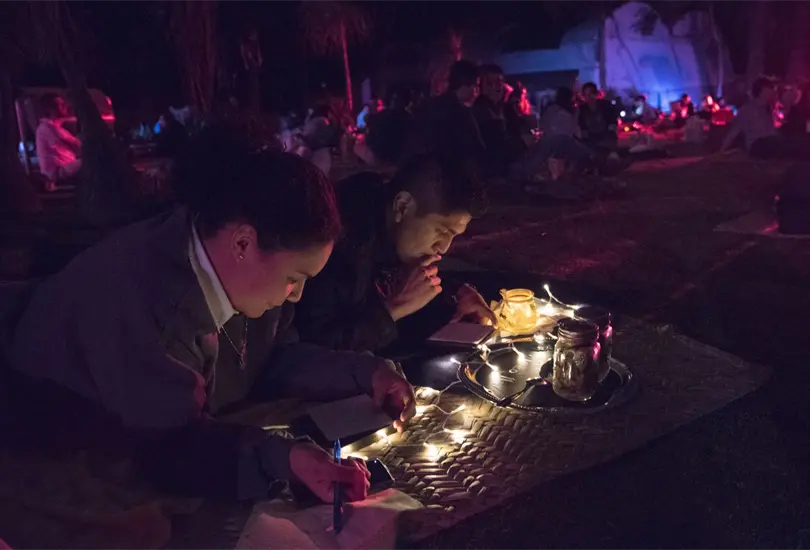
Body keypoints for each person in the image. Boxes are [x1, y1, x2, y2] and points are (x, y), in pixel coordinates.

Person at [4, 124, 415, 503]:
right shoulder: (148, 308)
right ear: (242, 243)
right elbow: (173, 453)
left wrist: (366, 372)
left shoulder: (230, 267)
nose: (296, 296)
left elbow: (271, 358)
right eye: (294, 277)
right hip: (53, 474)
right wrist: (285, 458)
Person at [294, 154, 496, 354]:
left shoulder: (398, 236)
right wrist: (393, 310)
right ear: (402, 206)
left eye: (454, 236)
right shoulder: (339, 243)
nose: (444, 247)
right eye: (442, 231)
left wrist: (456, 294)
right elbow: (313, 344)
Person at [402, 60, 484, 163]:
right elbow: (475, 151)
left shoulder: (429, 106)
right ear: (465, 84)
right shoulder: (461, 113)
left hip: (422, 171)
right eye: (475, 85)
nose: (477, 91)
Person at [719, 77, 806, 158]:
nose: (774, 92)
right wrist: (721, 151)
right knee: (783, 144)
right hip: (757, 145)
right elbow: (734, 131)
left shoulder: (768, 108)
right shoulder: (748, 109)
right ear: (763, 91)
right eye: (771, 89)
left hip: (771, 142)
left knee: (795, 142)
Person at [34, 93, 82, 183]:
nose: (66, 107)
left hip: (66, 168)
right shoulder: (46, 127)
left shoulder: (55, 127)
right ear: (50, 109)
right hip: (57, 172)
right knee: (93, 161)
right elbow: (76, 146)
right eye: (62, 105)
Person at [577, 83, 618, 153]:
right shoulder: (581, 110)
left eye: (591, 94)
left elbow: (612, 122)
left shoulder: (606, 106)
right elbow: (582, 128)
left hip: (606, 137)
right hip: (590, 140)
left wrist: (610, 136)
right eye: (586, 95)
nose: (589, 97)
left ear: (596, 94)